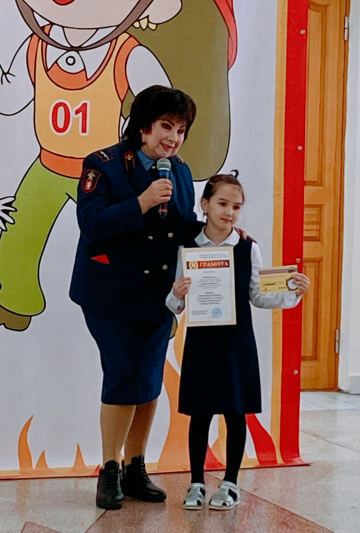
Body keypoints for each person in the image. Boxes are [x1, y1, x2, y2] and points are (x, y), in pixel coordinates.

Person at [69, 85, 203, 510]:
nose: (174, 138)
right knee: (124, 374)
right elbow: (92, 225)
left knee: (147, 380)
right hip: (109, 293)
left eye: (180, 130)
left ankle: (135, 468)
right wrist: (143, 201)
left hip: (157, 296)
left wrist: (224, 236)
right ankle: (109, 470)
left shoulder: (179, 171)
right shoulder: (103, 165)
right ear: (143, 126)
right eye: (166, 126)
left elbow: (182, 226)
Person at [166, 172, 310, 511]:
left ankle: (231, 482)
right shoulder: (187, 248)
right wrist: (176, 295)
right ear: (205, 205)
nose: (229, 212)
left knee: (235, 412)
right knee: (200, 413)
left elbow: (257, 295)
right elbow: (175, 304)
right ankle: (197, 482)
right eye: (222, 204)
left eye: (236, 207)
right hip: (201, 342)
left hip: (237, 343)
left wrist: (293, 292)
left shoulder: (248, 248)